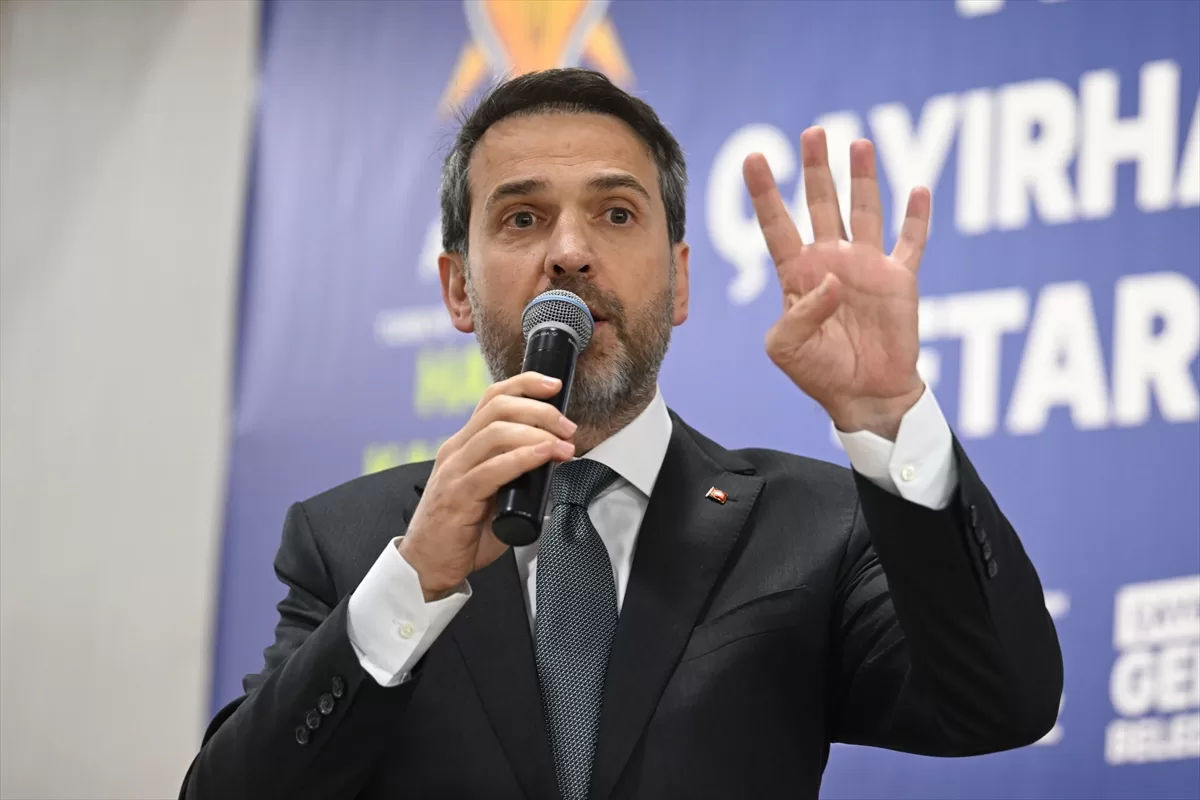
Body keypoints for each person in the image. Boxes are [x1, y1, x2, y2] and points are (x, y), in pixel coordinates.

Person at [179, 68, 1063, 800]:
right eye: (522, 218)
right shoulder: (354, 543)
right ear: (457, 289)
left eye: (616, 214)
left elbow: (1002, 704)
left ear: (680, 282)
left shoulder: (815, 526)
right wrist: (414, 580)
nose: (569, 251)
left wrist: (889, 412)